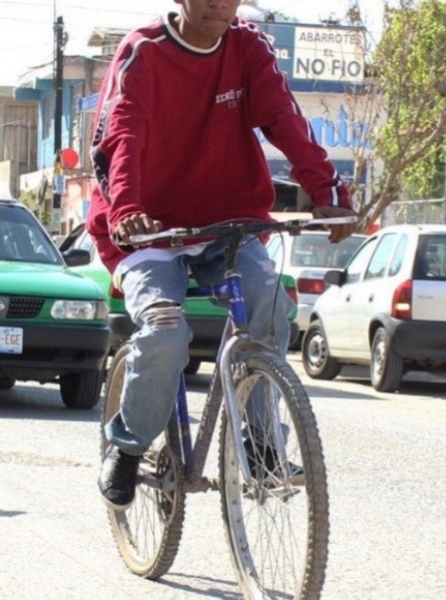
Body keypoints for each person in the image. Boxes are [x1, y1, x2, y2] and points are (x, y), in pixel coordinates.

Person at [87, 0, 356, 510]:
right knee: (166, 331)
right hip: (143, 228)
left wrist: (328, 193)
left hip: (223, 223)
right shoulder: (143, 53)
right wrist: (127, 209)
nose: (217, 5)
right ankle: (127, 445)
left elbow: (284, 120)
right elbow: (118, 135)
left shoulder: (247, 46)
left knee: (270, 305)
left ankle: (258, 443)